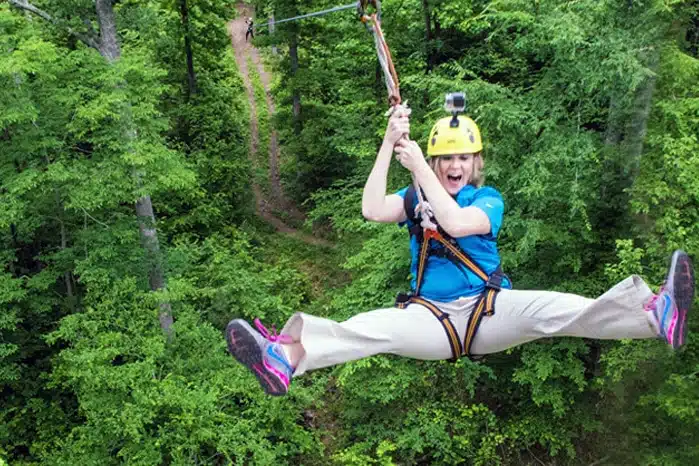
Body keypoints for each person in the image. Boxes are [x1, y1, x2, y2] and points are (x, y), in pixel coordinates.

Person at [225, 105, 695, 396]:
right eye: (446, 158)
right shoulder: (414, 196)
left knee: (556, 310)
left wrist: (420, 172)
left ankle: (657, 315)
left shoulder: (489, 201)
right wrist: (389, 145)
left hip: (489, 310)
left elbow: (454, 221)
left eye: (462, 158)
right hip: (429, 318)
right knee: (367, 329)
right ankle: (283, 359)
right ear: (437, 161)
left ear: (475, 163)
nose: (454, 165)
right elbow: (370, 208)